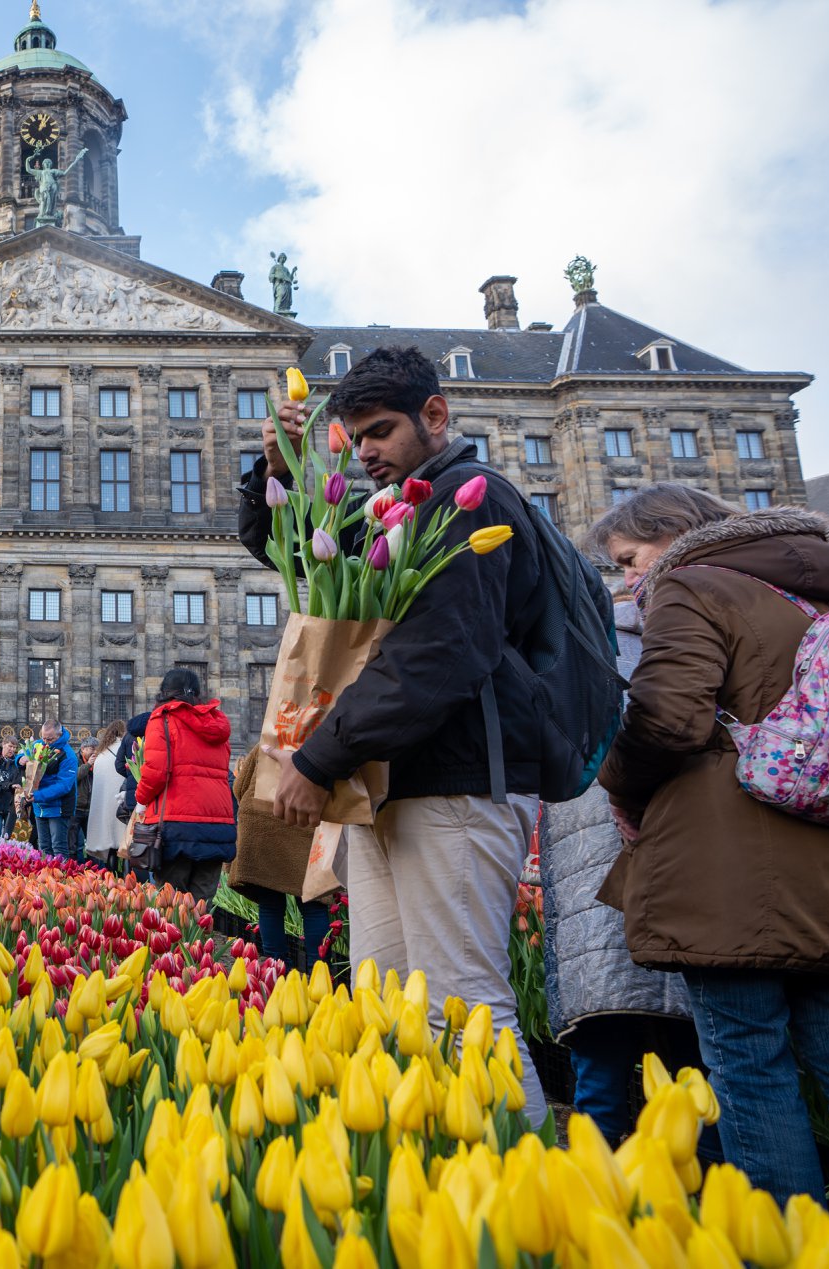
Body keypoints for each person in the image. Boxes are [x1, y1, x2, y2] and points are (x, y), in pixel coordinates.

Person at [238, 345, 553, 1122]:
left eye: (378, 431)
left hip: (460, 782)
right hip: (392, 788)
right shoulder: (399, 504)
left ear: (435, 415)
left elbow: (438, 654)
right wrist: (276, 465)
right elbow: (297, 546)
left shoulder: (468, 504)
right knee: (387, 1005)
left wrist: (319, 754)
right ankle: (437, 1190)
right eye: (354, 435)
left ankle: (536, 1204)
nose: (366, 450)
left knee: (463, 1011)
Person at [594, 485, 829, 1201]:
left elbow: (669, 718)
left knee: (750, 1071)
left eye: (629, 559)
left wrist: (611, 773)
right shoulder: (816, 597)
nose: (627, 579)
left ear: (677, 533)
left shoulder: (689, 583)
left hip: (726, 872)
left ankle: (780, 1245)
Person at [539, 574, 716, 1149]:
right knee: (700, 1079)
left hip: (594, 888)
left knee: (602, 1062)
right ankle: (710, 1206)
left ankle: (593, 1204)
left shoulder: (572, 650)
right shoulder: (698, 642)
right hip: (681, 883)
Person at [134, 668, 237, 917]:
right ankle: (197, 953)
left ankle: (173, 955)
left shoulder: (163, 720)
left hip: (176, 826)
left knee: (172, 906)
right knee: (201, 908)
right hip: (217, 826)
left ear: (164, 693)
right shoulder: (217, 724)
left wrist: (140, 800)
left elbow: (156, 771)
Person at [227, 748, 329, 968]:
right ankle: (318, 971)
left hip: (263, 827)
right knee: (313, 904)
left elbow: (239, 786)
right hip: (307, 825)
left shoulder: (267, 744)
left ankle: (276, 967)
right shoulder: (324, 747)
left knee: (270, 904)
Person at [22, 720, 77, 857]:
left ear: (59, 735)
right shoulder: (39, 744)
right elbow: (22, 753)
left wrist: (38, 795)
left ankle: (62, 876)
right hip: (39, 806)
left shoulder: (68, 755)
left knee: (58, 847)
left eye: (50, 739)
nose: (46, 742)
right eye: (44, 737)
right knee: (44, 847)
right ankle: (46, 876)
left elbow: (63, 786)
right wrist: (20, 759)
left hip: (58, 808)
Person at [86, 720, 132, 864]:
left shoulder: (101, 754)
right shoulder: (125, 748)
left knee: (109, 845)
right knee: (123, 842)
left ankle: (110, 874)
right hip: (120, 805)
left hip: (104, 808)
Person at [73, 741, 97, 856]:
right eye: (91, 748)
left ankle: (94, 869)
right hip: (76, 807)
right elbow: (74, 777)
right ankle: (73, 868)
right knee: (74, 843)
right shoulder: (75, 760)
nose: (94, 752)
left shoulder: (97, 762)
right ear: (83, 749)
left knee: (93, 843)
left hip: (91, 809)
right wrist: (88, 765)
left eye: (96, 749)